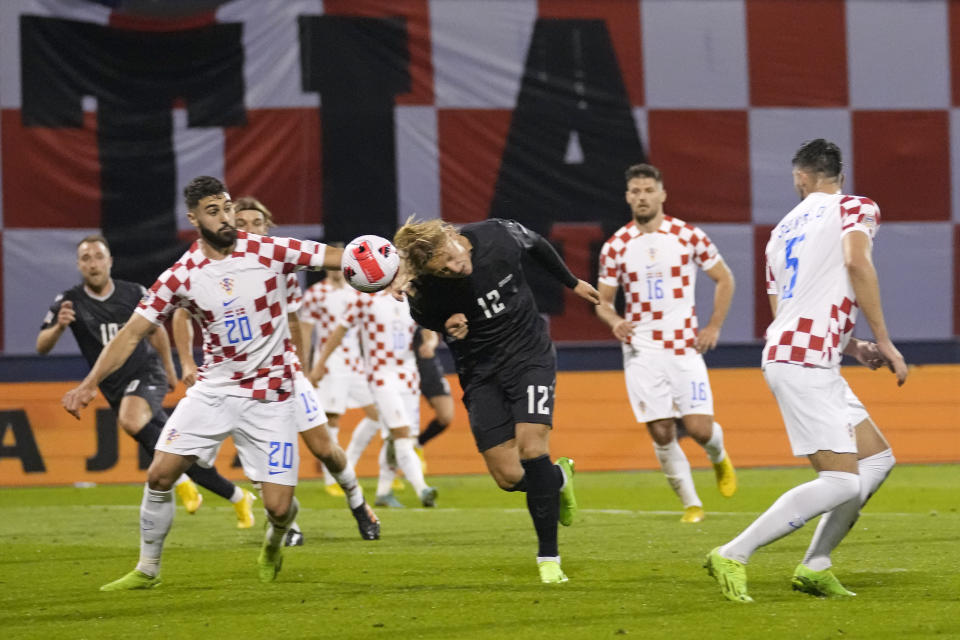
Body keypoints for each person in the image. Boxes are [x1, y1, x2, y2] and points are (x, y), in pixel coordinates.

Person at [62, 176, 345, 590]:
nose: (227, 217)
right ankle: (148, 568)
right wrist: (89, 384)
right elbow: (132, 333)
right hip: (215, 390)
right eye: (214, 211)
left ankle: (275, 538)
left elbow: (335, 257)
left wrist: (383, 268)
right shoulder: (182, 275)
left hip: (271, 395)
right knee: (160, 474)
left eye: (228, 207)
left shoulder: (269, 250)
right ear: (194, 218)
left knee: (280, 508)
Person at [704, 139, 906, 603]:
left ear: (801, 177)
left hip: (803, 354)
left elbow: (786, 311)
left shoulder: (780, 233)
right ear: (839, 176)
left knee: (876, 459)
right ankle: (734, 553)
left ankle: (815, 565)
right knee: (840, 480)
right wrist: (885, 339)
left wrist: (852, 345)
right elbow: (858, 261)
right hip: (804, 362)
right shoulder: (857, 206)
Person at [393, 217, 599, 584]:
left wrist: (571, 282)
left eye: (452, 258)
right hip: (480, 372)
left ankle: (548, 557)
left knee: (532, 446)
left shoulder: (497, 234)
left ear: (453, 235)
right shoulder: (426, 288)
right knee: (507, 477)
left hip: (528, 356)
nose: (455, 269)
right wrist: (445, 324)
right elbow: (423, 315)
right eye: (443, 269)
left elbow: (535, 243)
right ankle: (558, 479)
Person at [171, 196, 380, 545]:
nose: (250, 229)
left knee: (325, 448)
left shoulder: (279, 266)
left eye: (257, 223)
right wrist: (187, 362)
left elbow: (294, 321)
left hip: (286, 374)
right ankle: (287, 525)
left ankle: (358, 504)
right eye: (243, 224)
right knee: (256, 456)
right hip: (238, 383)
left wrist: (301, 369)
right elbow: (179, 312)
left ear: (267, 228)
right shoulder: (217, 270)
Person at [37, 234, 256, 528]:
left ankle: (180, 480)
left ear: (110, 261)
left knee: (132, 420)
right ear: (78, 265)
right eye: (86, 258)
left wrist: (168, 367)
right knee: (171, 443)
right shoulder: (69, 301)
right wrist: (59, 327)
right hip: (113, 386)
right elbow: (42, 345)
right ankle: (236, 496)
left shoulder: (133, 293)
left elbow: (156, 332)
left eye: (99, 256)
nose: (93, 263)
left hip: (145, 373)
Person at [596, 163, 738, 523]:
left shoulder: (687, 235)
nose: (642, 197)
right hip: (642, 349)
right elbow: (603, 301)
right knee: (660, 430)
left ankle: (718, 456)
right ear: (627, 197)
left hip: (684, 346)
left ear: (662, 194)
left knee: (699, 428)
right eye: (635, 191)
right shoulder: (616, 246)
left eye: (648, 190)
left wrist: (714, 326)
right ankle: (692, 505)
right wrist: (614, 320)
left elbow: (724, 279)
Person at [310, 288, 437, 508]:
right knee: (402, 433)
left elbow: (428, 327)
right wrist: (321, 363)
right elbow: (339, 331)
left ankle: (383, 493)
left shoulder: (412, 297)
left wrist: (430, 344)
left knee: (395, 438)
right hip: (381, 376)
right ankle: (422, 488)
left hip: (408, 376)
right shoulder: (365, 299)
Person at [298, 256, 384, 499]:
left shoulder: (357, 292)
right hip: (330, 364)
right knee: (332, 417)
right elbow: (306, 330)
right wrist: (307, 366)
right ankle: (330, 478)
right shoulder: (316, 293)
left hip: (356, 362)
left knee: (377, 415)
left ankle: (349, 463)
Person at [414, 327, 455, 459]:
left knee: (446, 416)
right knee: (400, 425)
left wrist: (430, 344)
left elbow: (429, 333)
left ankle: (417, 444)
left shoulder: (414, 310)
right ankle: (392, 473)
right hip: (398, 368)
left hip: (426, 366)